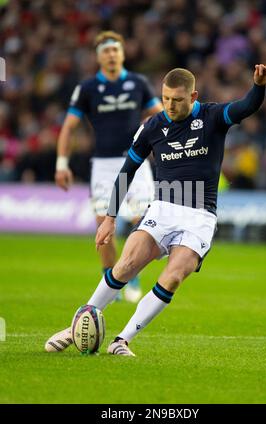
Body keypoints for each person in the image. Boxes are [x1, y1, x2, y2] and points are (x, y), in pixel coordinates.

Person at [46, 64, 266, 356]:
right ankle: (79, 324)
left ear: (193, 96)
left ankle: (122, 340)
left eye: (177, 99)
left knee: (174, 276)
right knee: (126, 265)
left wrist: (258, 86)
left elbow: (246, 106)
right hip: (163, 209)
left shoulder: (213, 116)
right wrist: (109, 218)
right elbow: (127, 171)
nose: (170, 105)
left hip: (199, 216)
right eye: (166, 98)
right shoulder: (153, 126)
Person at [45, 31, 162, 352]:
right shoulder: (87, 88)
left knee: (143, 221)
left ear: (123, 54)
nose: (111, 55)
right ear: (99, 57)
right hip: (102, 166)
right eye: (106, 51)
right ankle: (110, 279)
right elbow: (69, 127)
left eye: (115, 49)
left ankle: (133, 276)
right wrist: (61, 163)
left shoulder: (138, 83)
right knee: (103, 228)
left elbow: (158, 116)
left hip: (135, 162)